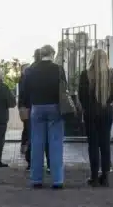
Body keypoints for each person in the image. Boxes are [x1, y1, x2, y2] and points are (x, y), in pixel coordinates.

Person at [21, 45, 66, 189]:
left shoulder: (30, 70)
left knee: (37, 143)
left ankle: (36, 179)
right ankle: (57, 180)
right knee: (55, 144)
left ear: (40, 55)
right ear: (52, 54)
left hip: (37, 108)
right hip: (55, 107)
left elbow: (24, 91)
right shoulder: (58, 69)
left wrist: (25, 107)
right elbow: (64, 88)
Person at [78, 48, 113, 187]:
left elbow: (81, 95)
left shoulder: (85, 74)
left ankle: (94, 176)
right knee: (105, 144)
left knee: (93, 145)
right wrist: (106, 103)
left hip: (91, 112)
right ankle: (105, 177)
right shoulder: (111, 73)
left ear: (92, 59)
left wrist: (86, 108)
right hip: (106, 111)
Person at [19, 49, 50, 172]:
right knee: (47, 137)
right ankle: (49, 163)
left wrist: (23, 105)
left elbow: (23, 92)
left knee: (33, 137)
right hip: (48, 105)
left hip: (32, 106)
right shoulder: (50, 69)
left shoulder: (29, 71)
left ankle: (31, 163)